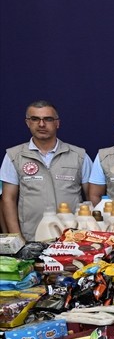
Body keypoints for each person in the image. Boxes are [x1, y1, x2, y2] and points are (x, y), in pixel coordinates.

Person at [1, 101, 91, 243]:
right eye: (35, 119)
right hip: (32, 238)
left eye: (48, 119)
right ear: (27, 123)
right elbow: (8, 199)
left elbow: (92, 197)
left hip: (74, 239)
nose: (41, 124)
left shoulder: (79, 155)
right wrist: (18, 239)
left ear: (57, 123)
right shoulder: (14, 156)